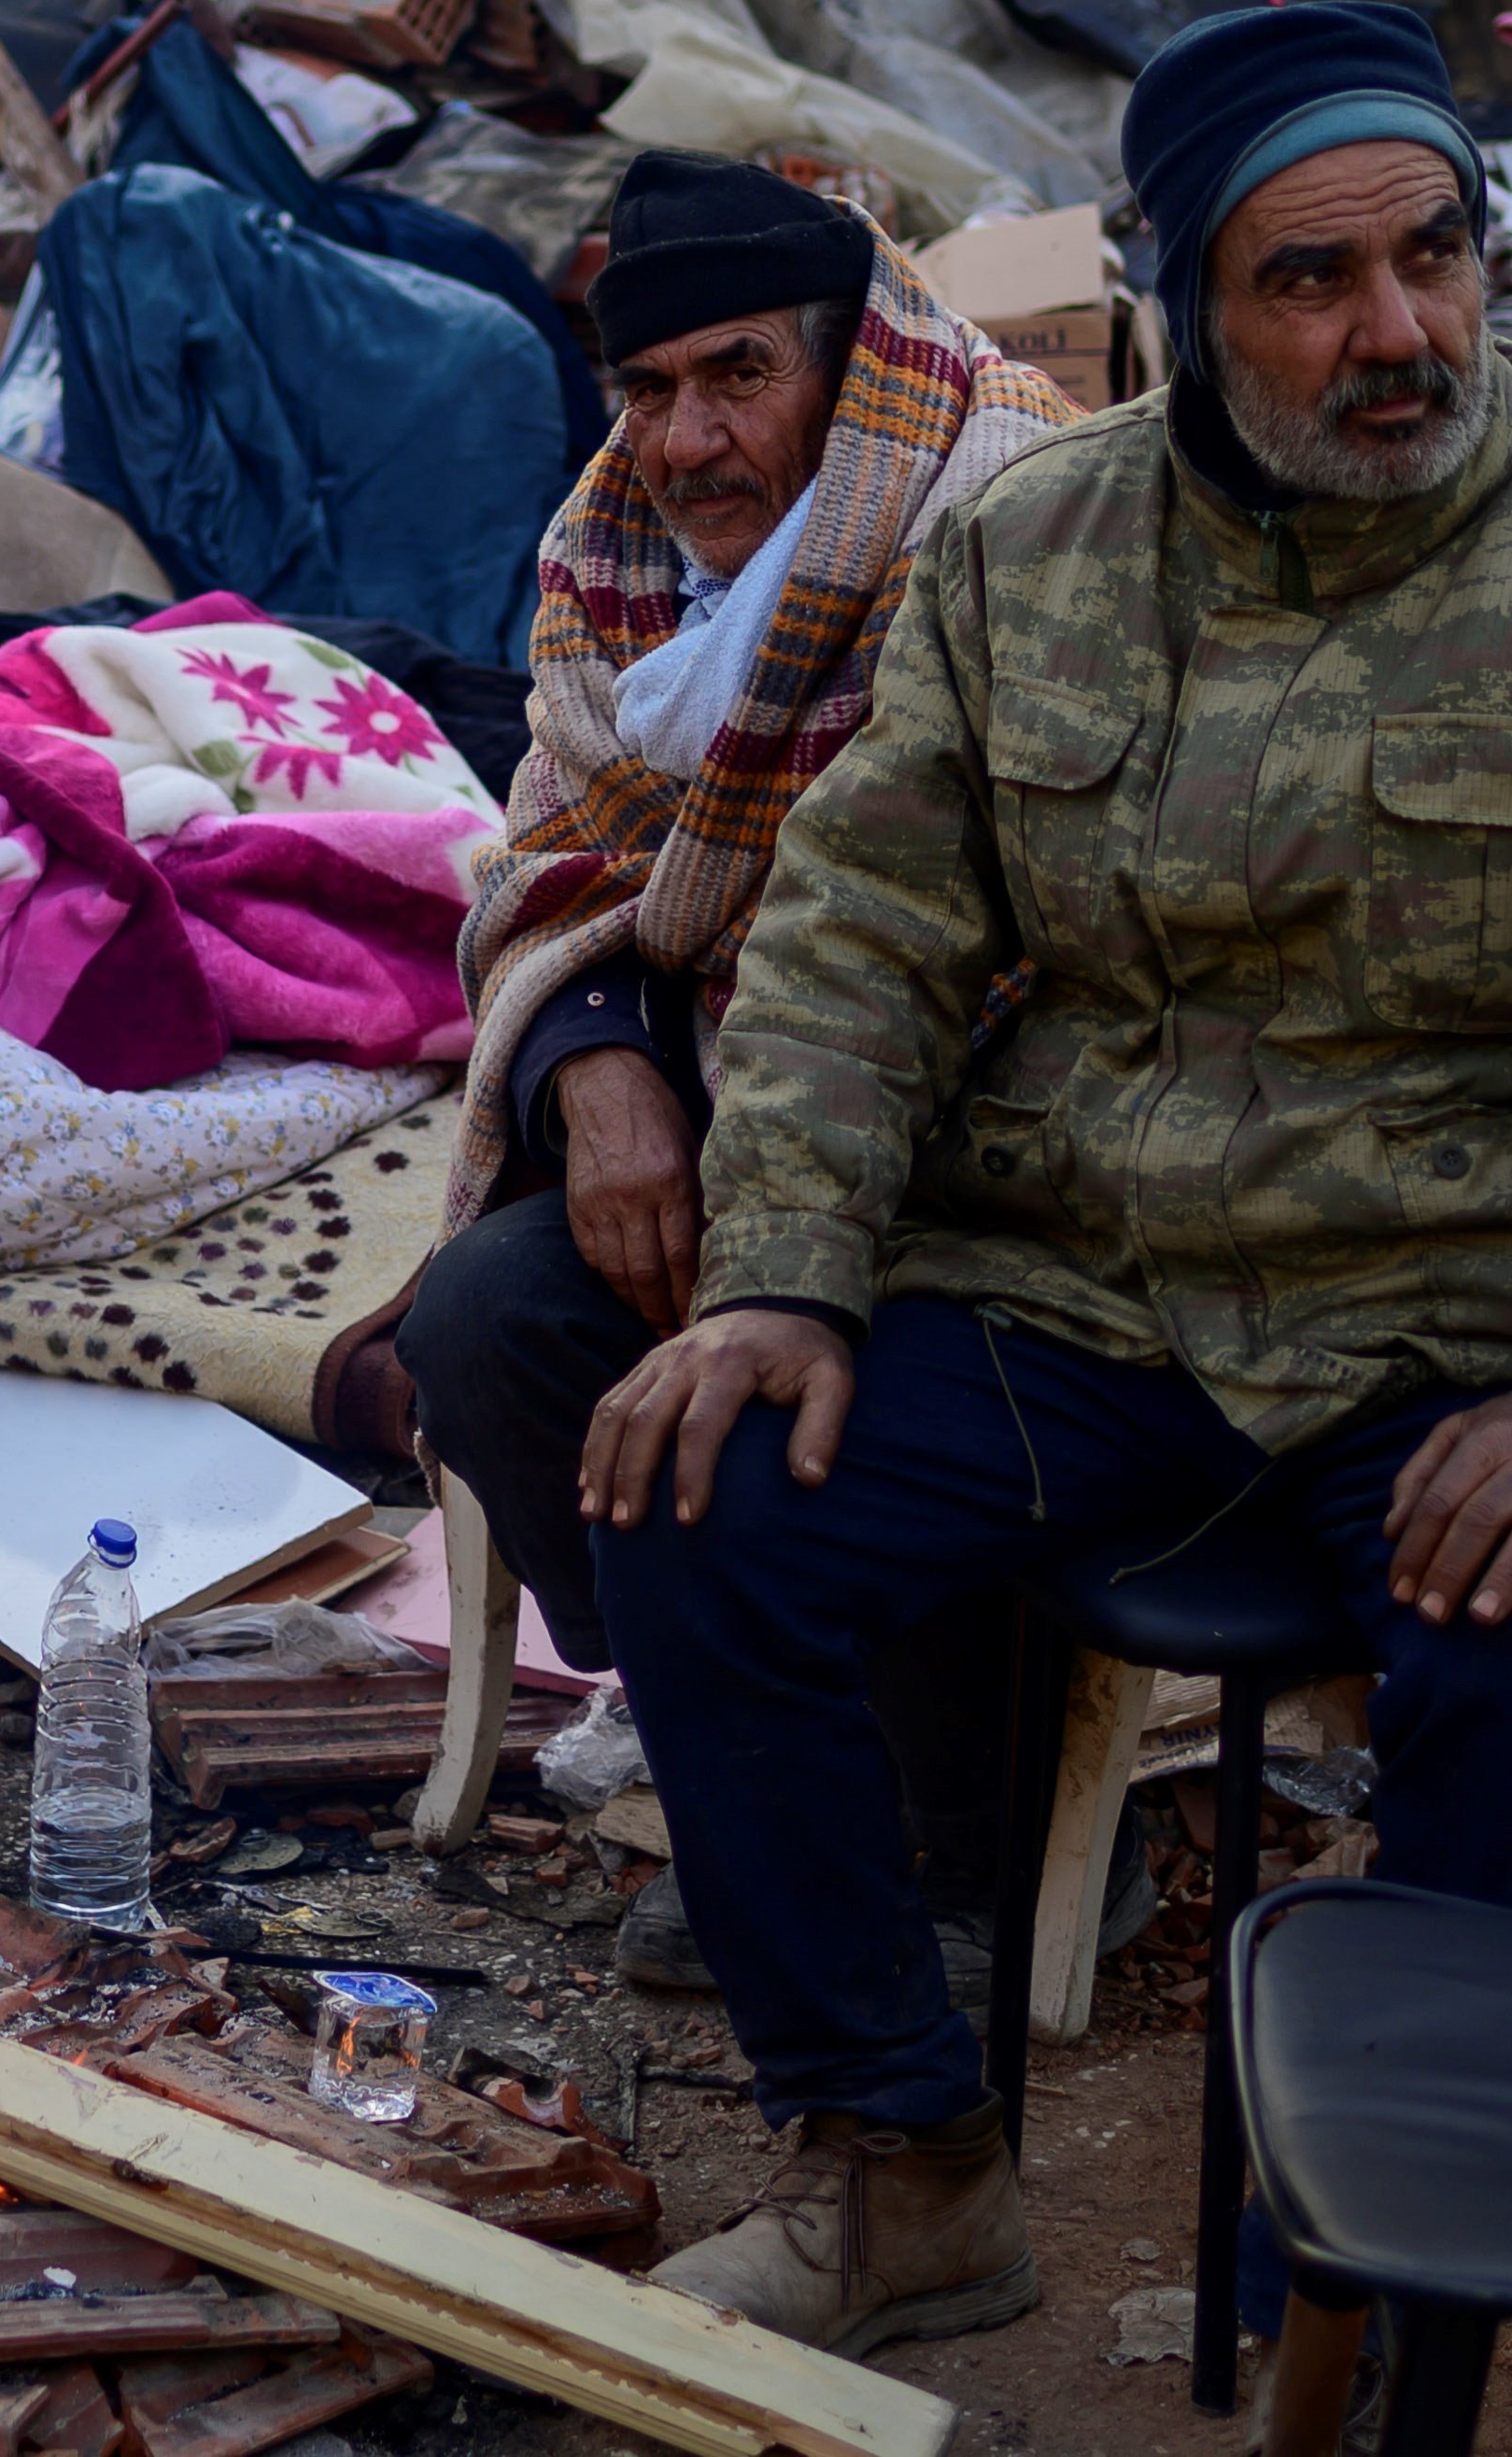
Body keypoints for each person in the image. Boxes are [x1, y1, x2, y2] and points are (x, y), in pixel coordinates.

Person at [583, 0, 1512, 2355]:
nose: (1396, 330)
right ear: (1194, 305)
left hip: (1466, 1337)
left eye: (1433, 255)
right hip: (1091, 1302)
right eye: (1312, 278)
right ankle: (903, 2164)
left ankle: (1382, 2289)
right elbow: (861, 937)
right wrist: (781, 1274)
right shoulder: (1036, 545)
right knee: (699, 1489)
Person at [392, 150, 1072, 1979]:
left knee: (857, 1366)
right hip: (725, 1098)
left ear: (849, 366)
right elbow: (551, 854)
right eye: (648, 386)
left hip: (996, 1147)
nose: (686, 440)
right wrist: (596, 1059)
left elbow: (987, 924)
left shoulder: (1012, 517)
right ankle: (768, 1767)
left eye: (740, 376)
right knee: (488, 1325)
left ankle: (974, 1845)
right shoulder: (615, 555)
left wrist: (784, 1203)